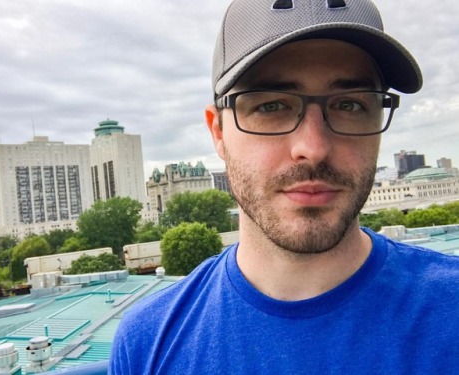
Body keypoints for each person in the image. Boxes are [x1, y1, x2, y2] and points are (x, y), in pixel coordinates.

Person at [109, 0, 458, 373]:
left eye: (351, 105)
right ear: (218, 133)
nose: (313, 148)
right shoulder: (147, 344)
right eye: (272, 106)